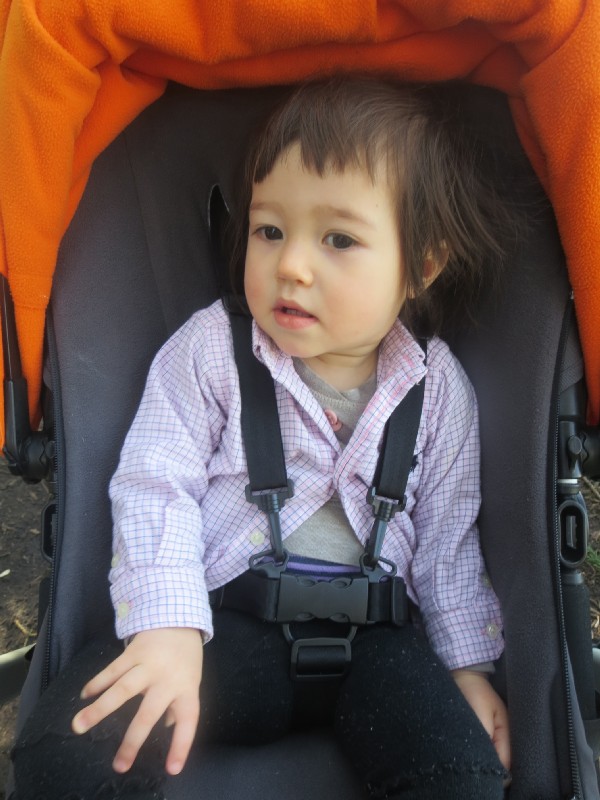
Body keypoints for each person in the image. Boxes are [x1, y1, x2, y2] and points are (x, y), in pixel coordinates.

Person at [13, 77, 514, 799]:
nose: (292, 265)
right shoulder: (212, 351)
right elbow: (157, 480)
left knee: (464, 779)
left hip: (382, 648)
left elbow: (447, 542)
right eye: (269, 230)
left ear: (422, 266)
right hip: (225, 625)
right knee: (69, 750)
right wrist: (167, 628)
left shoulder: (438, 390)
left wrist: (467, 667)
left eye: (339, 239)